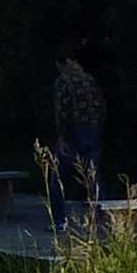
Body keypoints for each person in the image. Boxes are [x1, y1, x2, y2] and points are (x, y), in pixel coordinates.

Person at [46, 41, 105, 233]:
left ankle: (60, 221)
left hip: (73, 132)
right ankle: (99, 218)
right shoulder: (90, 79)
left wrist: (62, 136)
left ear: (62, 63)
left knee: (58, 177)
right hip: (93, 130)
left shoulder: (63, 81)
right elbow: (102, 107)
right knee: (92, 175)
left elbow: (62, 111)